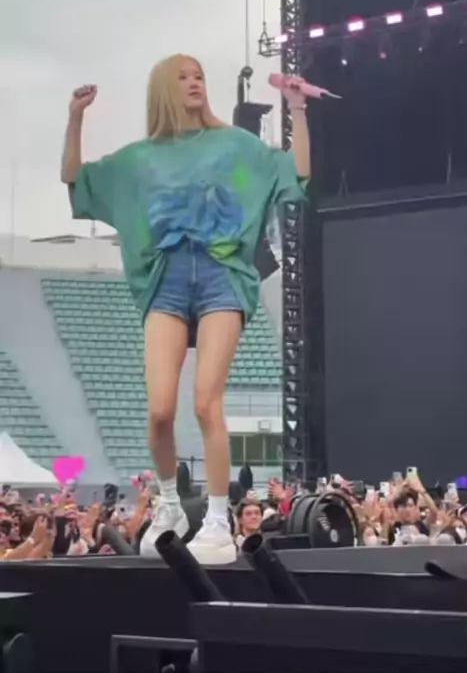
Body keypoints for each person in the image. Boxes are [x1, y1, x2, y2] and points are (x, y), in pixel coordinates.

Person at [61, 54, 310, 565]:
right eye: (182, 77)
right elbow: (76, 181)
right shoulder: (140, 158)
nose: (194, 83)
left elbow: (296, 172)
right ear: (163, 90)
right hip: (166, 279)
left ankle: (218, 520)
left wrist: (297, 108)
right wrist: (75, 118)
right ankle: (170, 505)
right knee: (159, 410)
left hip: (222, 275)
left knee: (205, 403)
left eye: (198, 76)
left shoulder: (234, 144)